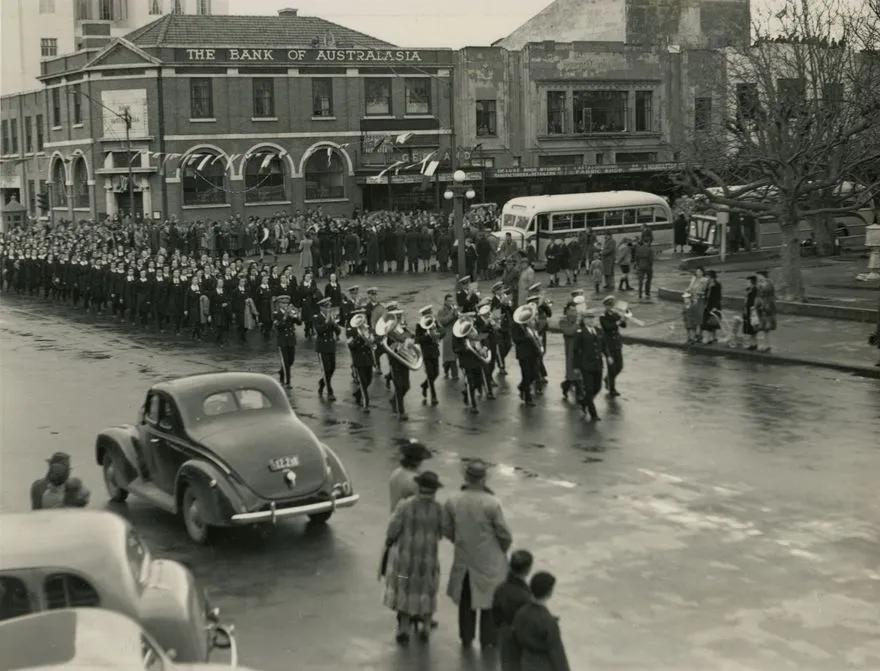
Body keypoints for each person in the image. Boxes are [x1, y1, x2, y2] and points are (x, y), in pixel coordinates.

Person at [444, 460, 513, 649]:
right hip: (488, 559)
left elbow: (447, 528)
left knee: (466, 600)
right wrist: (500, 551)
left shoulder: (453, 500)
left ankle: (466, 637)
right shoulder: (492, 502)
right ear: (484, 479)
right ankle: (488, 639)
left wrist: (459, 541)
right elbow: (504, 534)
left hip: (464, 558)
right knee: (489, 601)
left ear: (466, 477)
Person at [383, 471, 449, 644]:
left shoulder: (404, 506)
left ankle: (404, 628)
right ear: (435, 490)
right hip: (428, 562)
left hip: (404, 562)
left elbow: (392, 528)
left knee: (403, 587)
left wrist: (390, 540)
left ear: (418, 487)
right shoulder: (438, 509)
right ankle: (426, 626)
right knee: (427, 589)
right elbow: (445, 531)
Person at [512, 572, 571, 671]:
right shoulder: (548, 622)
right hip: (544, 665)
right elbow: (557, 654)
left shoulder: (520, 612)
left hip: (526, 662)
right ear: (549, 593)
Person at [492, 550, 534, 671]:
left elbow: (495, 615)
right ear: (527, 569)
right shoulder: (525, 594)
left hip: (503, 635)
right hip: (519, 639)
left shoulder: (500, 589)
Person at [572, 308, 606, 421]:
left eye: (592, 318)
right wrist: (576, 366)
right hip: (586, 365)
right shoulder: (580, 333)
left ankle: (584, 402)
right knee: (589, 389)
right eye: (588, 318)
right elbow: (575, 351)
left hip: (598, 364)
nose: (591, 320)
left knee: (598, 387)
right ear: (584, 320)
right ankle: (593, 414)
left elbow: (603, 346)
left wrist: (609, 356)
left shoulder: (598, 331)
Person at [388, 439, 433, 511]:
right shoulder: (415, 480)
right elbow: (421, 505)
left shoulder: (396, 472)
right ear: (418, 462)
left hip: (394, 513)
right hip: (408, 516)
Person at [346, 309, 375, 411]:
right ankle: (365, 405)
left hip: (368, 359)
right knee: (363, 382)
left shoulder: (368, 328)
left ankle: (357, 394)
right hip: (359, 360)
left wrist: (370, 337)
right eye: (361, 316)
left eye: (364, 316)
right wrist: (360, 336)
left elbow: (373, 340)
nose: (363, 319)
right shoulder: (351, 330)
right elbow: (351, 345)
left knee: (369, 380)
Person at [314, 297, 341, 400]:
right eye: (326, 307)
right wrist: (327, 322)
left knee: (332, 368)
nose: (328, 309)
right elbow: (319, 330)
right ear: (321, 308)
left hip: (331, 346)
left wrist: (334, 323)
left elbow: (338, 331)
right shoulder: (317, 317)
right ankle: (330, 392)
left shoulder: (332, 317)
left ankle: (322, 382)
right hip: (322, 347)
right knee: (326, 370)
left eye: (329, 307)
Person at [599, 295, 626, 396]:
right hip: (608, 344)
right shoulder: (603, 316)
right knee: (611, 367)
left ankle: (607, 379)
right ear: (605, 306)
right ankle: (612, 388)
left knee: (619, 366)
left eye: (612, 305)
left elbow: (623, 325)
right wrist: (619, 321)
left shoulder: (615, 314)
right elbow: (608, 327)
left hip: (617, 343)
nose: (610, 307)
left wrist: (624, 318)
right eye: (608, 305)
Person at [415, 305, 441, 406]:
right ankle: (434, 396)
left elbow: (442, 331)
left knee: (436, 373)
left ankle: (425, 385)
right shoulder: (419, 325)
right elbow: (417, 339)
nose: (430, 314)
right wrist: (428, 336)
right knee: (430, 374)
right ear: (424, 314)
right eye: (428, 313)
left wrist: (438, 334)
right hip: (426, 352)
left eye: (430, 312)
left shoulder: (434, 322)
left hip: (435, 351)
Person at [274, 299, 301, 389]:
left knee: (291, 360)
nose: (285, 305)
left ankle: (282, 372)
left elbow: (299, 323)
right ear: (279, 304)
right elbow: (278, 326)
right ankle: (287, 381)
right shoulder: (276, 313)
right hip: (282, 340)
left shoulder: (291, 312)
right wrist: (285, 316)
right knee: (285, 362)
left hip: (291, 340)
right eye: (283, 303)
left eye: (286, 303)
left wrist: (296, 315)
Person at [558, 298, 581, 401]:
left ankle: (568, 386)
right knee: (572, 374)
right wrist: (578, 323)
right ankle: (571, 389)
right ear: (567, 311)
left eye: (575, 310)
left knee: (580, 373)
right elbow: (569, 332)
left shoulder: (579, 320)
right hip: (571, 351)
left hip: (580, 350)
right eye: (571, 310)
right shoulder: (563, 321)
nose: (573, 313)